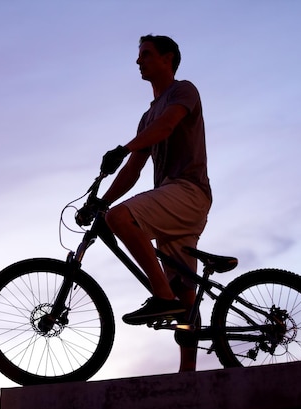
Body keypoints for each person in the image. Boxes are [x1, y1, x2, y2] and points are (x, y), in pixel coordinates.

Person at [77, 35, 211, 372]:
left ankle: (160, 297)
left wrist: (122, 149)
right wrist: (99, 202)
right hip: (172, 198)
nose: (139, 61)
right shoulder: (145, 118)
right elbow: (133, 171)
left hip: (188, 191)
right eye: (139, 56)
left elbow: (167, 128)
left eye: (146, 55)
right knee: (186, 297)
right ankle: (188, 373)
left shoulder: (184, 91)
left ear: (168, 59)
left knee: (121, 218)